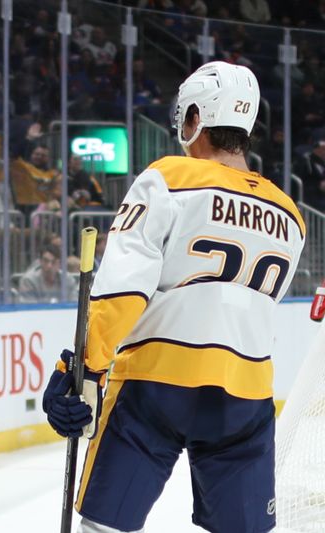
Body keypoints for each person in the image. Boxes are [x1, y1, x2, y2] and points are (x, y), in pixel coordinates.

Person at [42, 61, 305, 532]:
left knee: (105, 526)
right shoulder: (290, 216)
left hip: (156, 384)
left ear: (196, 119)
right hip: (246, 394)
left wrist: (82, 368)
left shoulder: (169, 178)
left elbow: (123, 289)